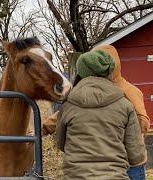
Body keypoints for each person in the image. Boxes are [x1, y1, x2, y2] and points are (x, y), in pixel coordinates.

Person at [55, 50, 147, 179]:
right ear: (108, 71)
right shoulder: (124, 104)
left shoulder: (68, 105)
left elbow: (60, 143)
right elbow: (136, 155)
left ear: (81, 72)